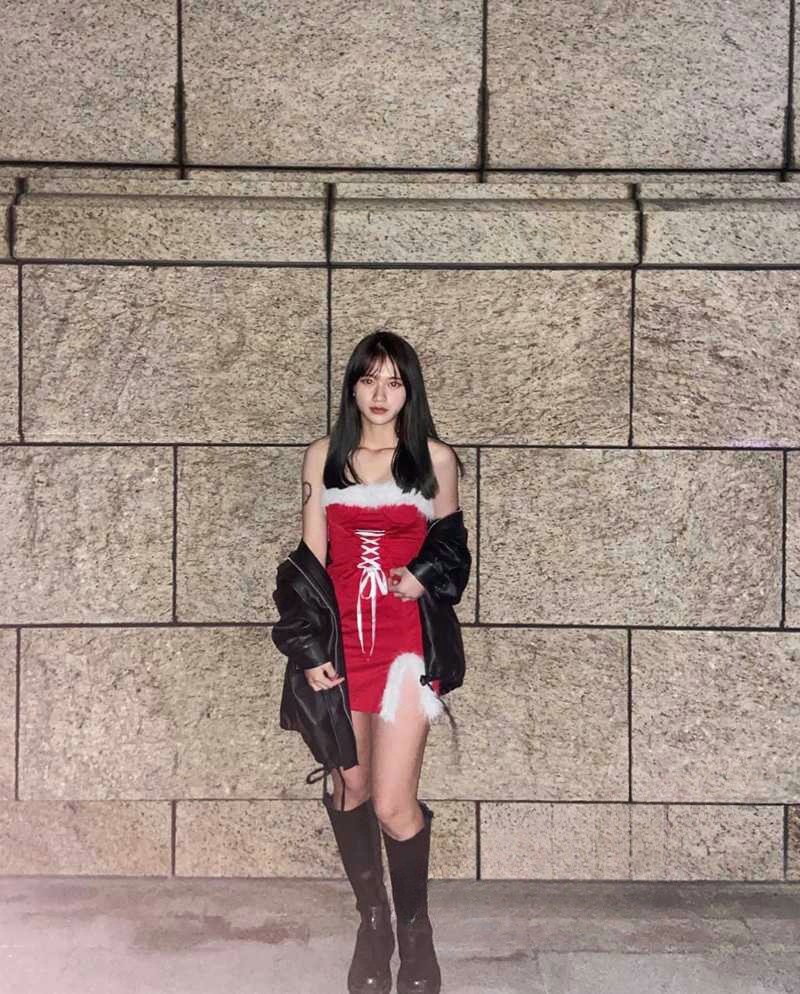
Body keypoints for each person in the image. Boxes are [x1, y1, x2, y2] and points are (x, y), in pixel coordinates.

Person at [292, 329, 470, 994]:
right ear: (352, 386)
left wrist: (423, 574)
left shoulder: (434, 459)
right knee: (351, 790)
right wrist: (309, 649)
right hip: (342, 651)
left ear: (410, 391)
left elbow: (453, 551)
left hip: (404, 655)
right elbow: (308, 564)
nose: (380, 394)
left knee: (394, 804)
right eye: (369, 379)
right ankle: (374, 924)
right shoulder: (323, 457)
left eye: (394, 382)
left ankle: (415, 930)